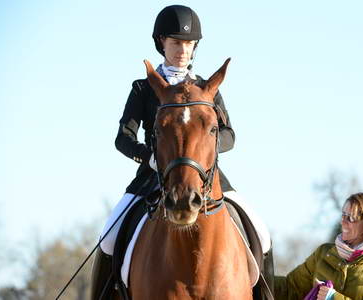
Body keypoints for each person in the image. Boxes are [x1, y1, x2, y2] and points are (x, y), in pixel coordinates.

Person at [90, 5, 271, 299]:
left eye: (188, 44)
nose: (182, 50)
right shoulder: (142, 89)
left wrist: (205, 149)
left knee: (260, 234)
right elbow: (123, 138)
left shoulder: (207, 89)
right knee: (109, 237)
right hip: (153, 176)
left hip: (206, 176)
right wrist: (148, 157)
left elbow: (229, 135)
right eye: (176, 43)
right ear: (161, 42)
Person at [274, 192, 363, 300]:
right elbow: (290, 288)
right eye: (343, 215)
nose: (343, 221)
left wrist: (333, 298)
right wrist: (255, 279)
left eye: (351, 217)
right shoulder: (323, 253)